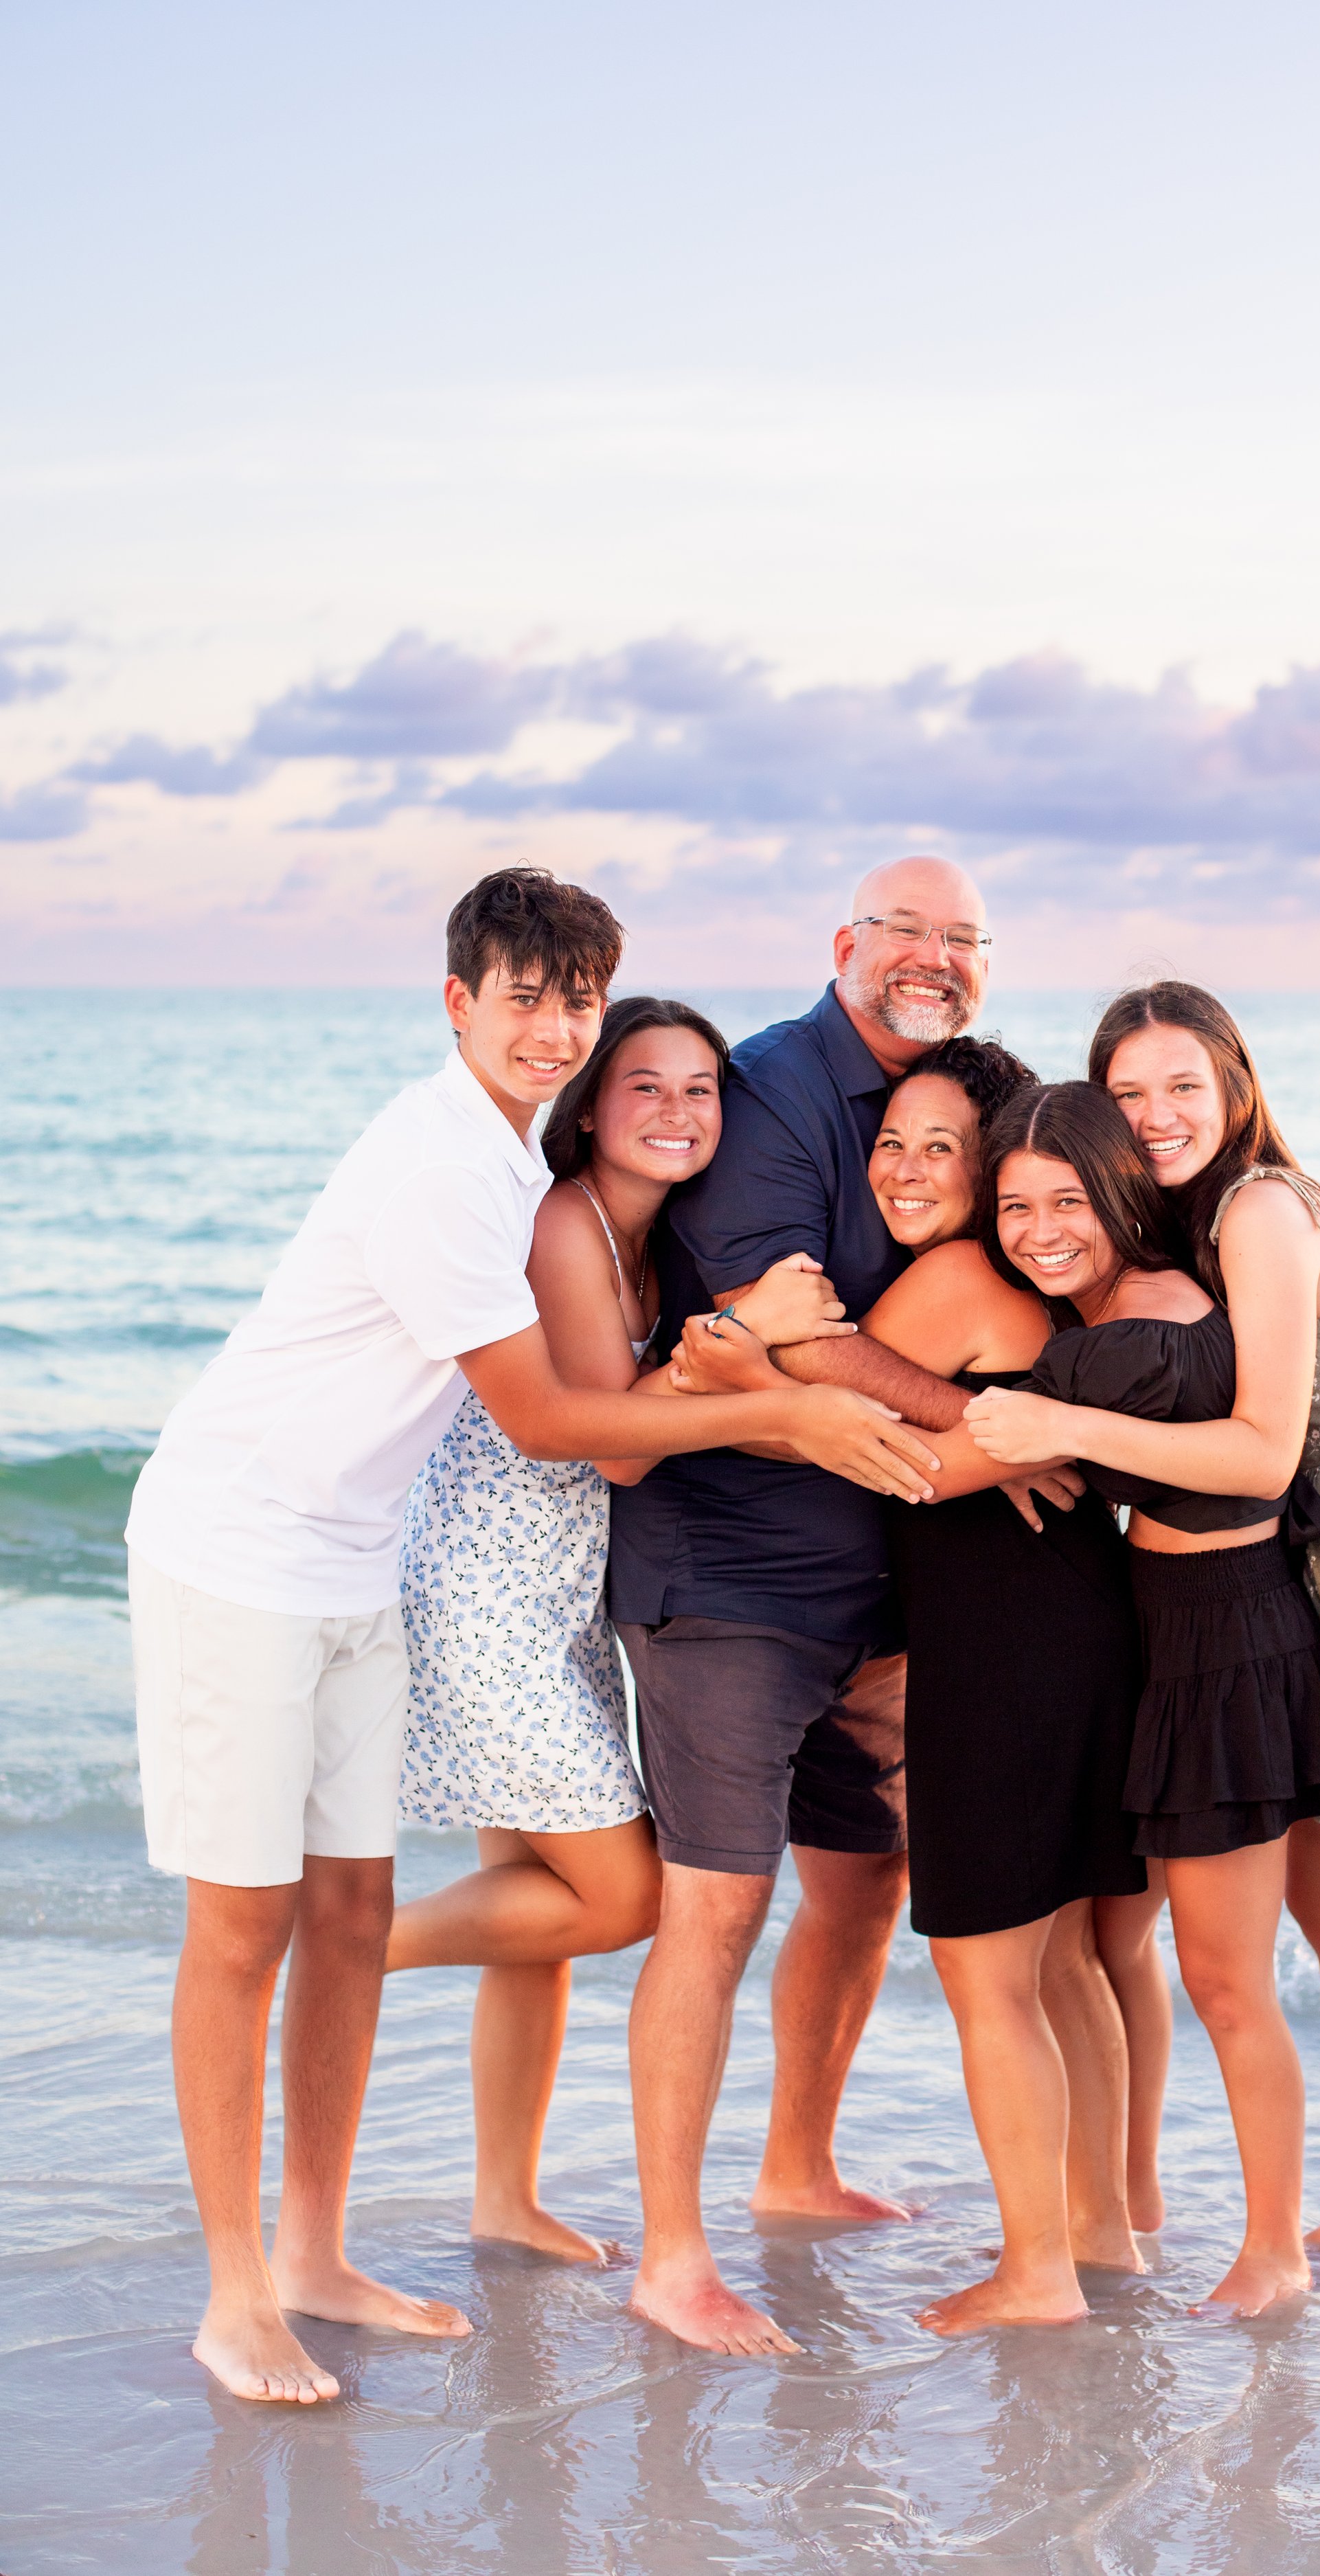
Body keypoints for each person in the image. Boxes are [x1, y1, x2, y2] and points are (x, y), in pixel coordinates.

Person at [122, 867, 939, 2406]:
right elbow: (557, 1422)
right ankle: (237, 2300)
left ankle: (315, 2255)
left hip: (367, 1557)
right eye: (526, 999)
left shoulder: (515, 1164)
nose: (554, 1029)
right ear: (458, 1003)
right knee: (253, 1931)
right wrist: (782, 1409)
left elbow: (593, 1396)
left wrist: (732, 1359)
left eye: (578, 1000)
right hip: (239, 1547)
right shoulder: (447, 1171)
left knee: (354, 1910)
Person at [972, 983, 1320, 2326]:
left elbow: (1267, 1451)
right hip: (1315, 1562)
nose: (1157, 1115)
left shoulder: (1259, 1210)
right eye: (1128, 1094)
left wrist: (1062, 1428)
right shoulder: (1183, 1223)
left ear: (1235, 1080)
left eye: (1183, 1084)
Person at [608, 855, 1070, 2356]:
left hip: (875, 1580)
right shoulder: (771, 1093)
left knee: (862, 1884)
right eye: (903, 931)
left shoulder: (953, 1100)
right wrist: (998, 1429)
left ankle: (796, 2165)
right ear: (844, 944)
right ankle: (670, 2259)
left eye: (962, 937)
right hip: (731, 1576)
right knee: (716, 1904)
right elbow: (786, 1346)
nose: (932, 956)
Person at [385, 998, 851, 2265]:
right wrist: (747, 1347)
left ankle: (504, 2196)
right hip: (490, 1588)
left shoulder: (644, 1235)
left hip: (563, 1593)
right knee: (619, 1893)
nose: (678, 1111)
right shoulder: (564, 1225)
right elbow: (616, 1444)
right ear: (590, 1105)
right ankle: (347, 1945)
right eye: (646, 1086)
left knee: (529, 1916)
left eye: (701, 1089)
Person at [971, 1080, 1320, 2314]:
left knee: (1226, 1978)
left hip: (1222, 1647)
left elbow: (960, 1454)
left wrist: (771, 1379)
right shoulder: (1140, 1304)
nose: (1039, 1230)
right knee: (1128, 1946)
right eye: (1015, 1207)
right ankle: (1132, 2203)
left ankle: (1275, 2251)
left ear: (1121, 1190)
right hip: (1178, 1628)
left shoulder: (1125, 1336)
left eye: (1067, 1200)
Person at [861, 1039, 1155, 2330]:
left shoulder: (956, 1278)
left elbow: (830, 1412)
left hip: (1003, 1656)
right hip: (1086, 1629)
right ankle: (1099, 2237)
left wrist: (747, 1338)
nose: (909, 1168)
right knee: (1068, 1960)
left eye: (943, 1147)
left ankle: (1037, 2272)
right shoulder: (1059, 1297)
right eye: (892, 1141)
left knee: (990, 1978)